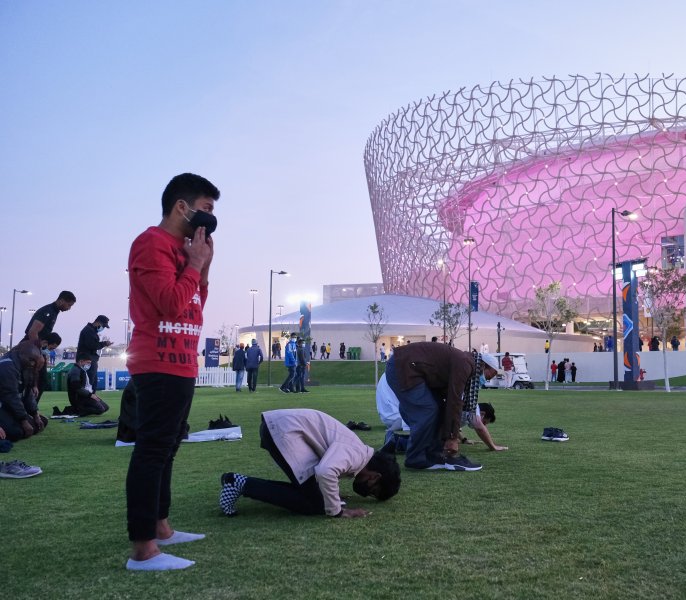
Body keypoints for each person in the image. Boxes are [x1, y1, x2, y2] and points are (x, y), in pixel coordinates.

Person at [124, 172, 217, 571]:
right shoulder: (152, 243)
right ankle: (143, 550)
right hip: (158, 361)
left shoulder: (183, 249)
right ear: (183, 207)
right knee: (153, 449)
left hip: (182, 361)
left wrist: (203, 267)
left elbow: (195, 304)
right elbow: (171, 304)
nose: (211, 218)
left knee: (169, 446)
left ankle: (161, 527)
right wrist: (194, 263)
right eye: (206, 208)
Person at [218, 409, 401, 518]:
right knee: (316, 504)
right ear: (375, 476)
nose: (366, 493)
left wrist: (330, 494)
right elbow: (325, 472)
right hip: (284, 431)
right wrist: (338, 511)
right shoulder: (357, 455)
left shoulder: (359, 452)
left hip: (282, 428)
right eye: (372, 491)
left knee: (315, 496)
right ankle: (239, 483)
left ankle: (239, 483)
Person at [385, 343, 499, 471]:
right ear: (483, 365)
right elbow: (454, 400)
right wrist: (452, 438)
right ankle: (416, 458)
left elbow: (448, 401)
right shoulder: (465, 364)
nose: (486, 380)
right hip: (403, 366)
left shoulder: (466, 362)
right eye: (489, 376)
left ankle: (434, 454)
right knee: (428, 410)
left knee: (438, 407)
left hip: (407, 367)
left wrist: (448, 437)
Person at [0, 342, 46, 441]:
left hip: (9, 406)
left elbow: (27, 392)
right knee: (17, 432)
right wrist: (23, 420)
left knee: (41, 422)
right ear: (22, 355)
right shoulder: (6, 366)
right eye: (31, 360)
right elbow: (11, 396)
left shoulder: (24, 366)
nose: (33, 364)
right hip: (3, 406)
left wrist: (35, 414)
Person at [76, 315, 112, 392]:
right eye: (103, 326)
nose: (103, 328)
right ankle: (87, 398)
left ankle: (90, 398)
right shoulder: (89, 331)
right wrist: (104, 343)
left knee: (92, 384)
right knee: (88, 384)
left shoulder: (91, 330)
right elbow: (92, 345)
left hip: (88, 359)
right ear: (98, 322)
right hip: (87, 359)